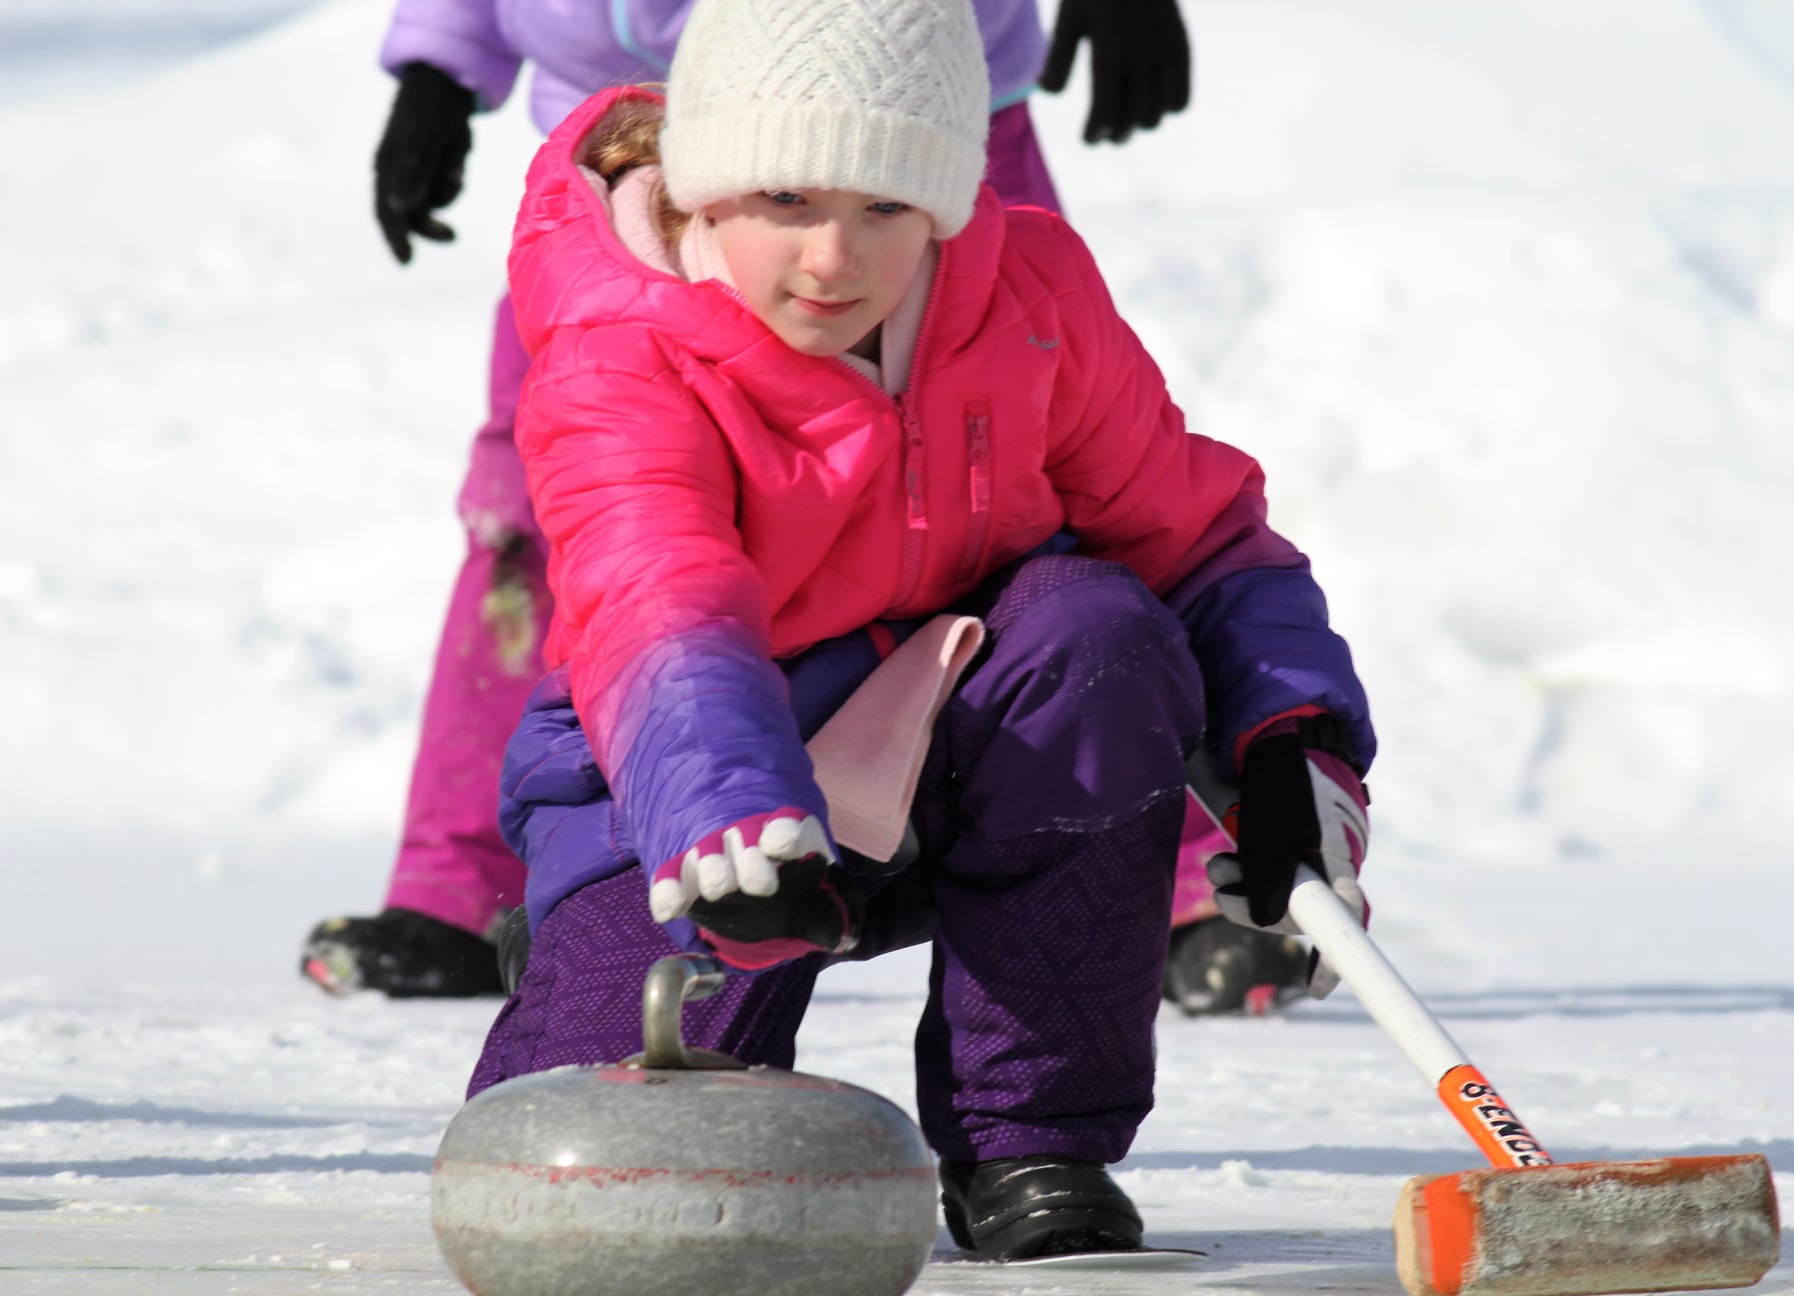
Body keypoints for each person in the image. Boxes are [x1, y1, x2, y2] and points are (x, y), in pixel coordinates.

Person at [469, 0, 1375, 1259]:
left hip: (958, 741)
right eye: (788, 198)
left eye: (888, 207)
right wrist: (723, 812)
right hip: (693, 778)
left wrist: (1294, 743)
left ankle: (1031, 1145)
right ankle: (585, 937)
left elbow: (1199, 535)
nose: (835, 259)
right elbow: (656, 601)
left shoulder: (1027, 295)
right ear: (705, 190)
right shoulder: (618, 347)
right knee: (616, 1180)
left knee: (1096, 631)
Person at [300, 0, 1312, 1016]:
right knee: (573, 514)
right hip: (653, 159)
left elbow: (1173, 526)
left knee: (1033, 513)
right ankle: (474, 880)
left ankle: (1197, 877)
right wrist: (444, 58)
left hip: (921, 113)